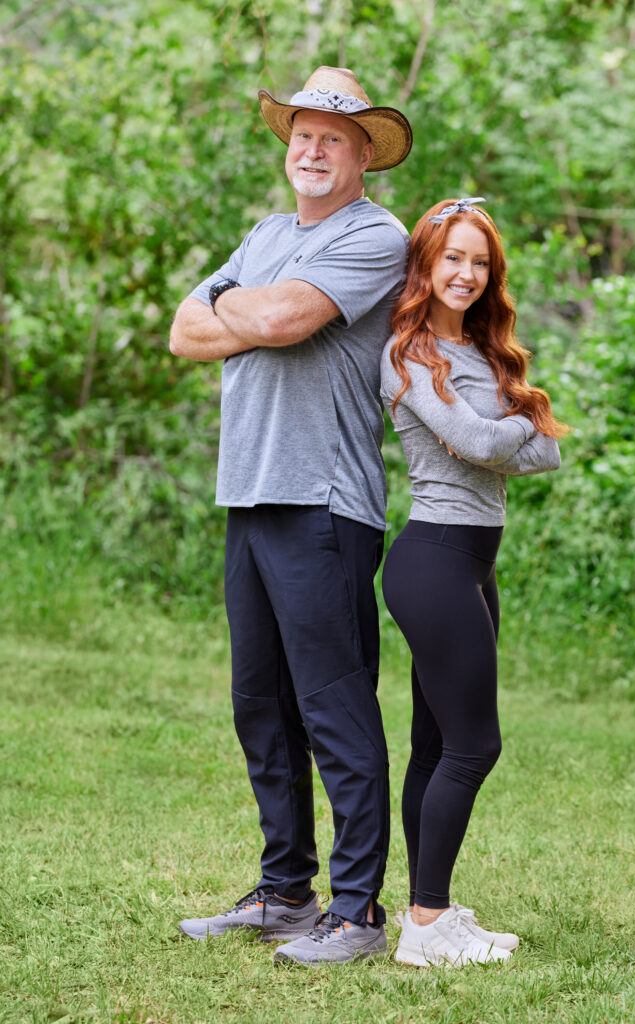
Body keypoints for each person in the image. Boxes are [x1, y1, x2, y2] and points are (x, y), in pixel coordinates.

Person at [169, 66, 412, 965]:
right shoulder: (267, 233)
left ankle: (355, 911)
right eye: (302, 135)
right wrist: (245, 311)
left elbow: (275, 318)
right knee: (260, 708)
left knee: (332, 706)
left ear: (362, 157)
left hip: (324, 501)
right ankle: (283, 893)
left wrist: (233, 307)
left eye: (333, 139)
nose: (312, 150)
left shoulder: (375, 236)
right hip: (250, 494)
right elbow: (181, 331)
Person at [380, 197, 568, 968]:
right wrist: (526, 419)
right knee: (473, 745)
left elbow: (532, 456)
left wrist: (507, 431)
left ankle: (430, 912)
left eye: (478, 261)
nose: (464, 273)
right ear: (424, 265)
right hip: (432, 561)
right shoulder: (407, 354)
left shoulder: (486, 355)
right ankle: (424, 928)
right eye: (450, 257)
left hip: (473, 566)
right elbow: (475, 439)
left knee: (433, 745)